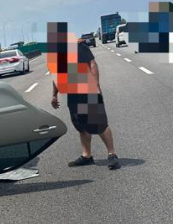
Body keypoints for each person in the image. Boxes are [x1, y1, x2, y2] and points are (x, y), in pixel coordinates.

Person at [48, 22, 120, 170]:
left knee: (99, 123)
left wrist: (96, 84)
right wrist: (54, 95)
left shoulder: (79, 47)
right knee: (81, 125)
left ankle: (112, 154)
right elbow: (56, 75)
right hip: (72, 94)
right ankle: (87, 155)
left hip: (88, 89)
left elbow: (92, 64)